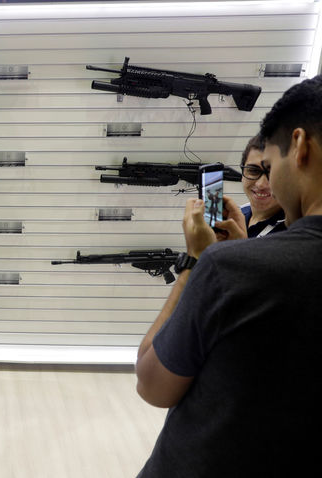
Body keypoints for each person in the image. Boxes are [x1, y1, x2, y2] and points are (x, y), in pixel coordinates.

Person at [135, 75, 322, 476]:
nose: (263, 184)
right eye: (252, 173)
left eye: (269, 167)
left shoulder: (228, 268)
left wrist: (197, 261)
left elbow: (152, 385)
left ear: (301, 147)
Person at [238, 135, 287, 237]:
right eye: (254, 171)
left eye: (272, 173)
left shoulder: (295, 231)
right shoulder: (236, 214)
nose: (261, 185)